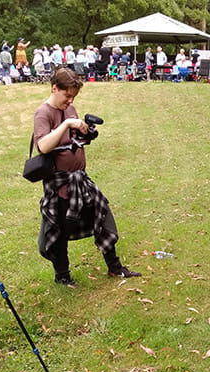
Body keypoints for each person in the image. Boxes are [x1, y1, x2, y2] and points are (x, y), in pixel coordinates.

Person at [32, 68, 140, 287]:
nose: (70, 100)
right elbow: (43, 146)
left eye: (73, 96)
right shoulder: (43, 113)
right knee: (59, 229)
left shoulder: (70, 108)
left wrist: (84, 132)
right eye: (67, 95)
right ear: (54, 88)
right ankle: (62, 276)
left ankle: (115, 267)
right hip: (60, 184)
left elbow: (71, 139)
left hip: (80, 179)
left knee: (102, 214)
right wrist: (67, 124)